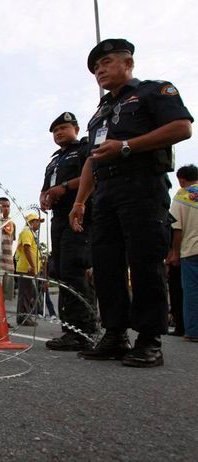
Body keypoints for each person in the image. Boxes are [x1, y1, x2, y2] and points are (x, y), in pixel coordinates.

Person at [70, 38, 193, 367]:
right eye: (96, 68)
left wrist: (126, 146)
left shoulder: (154, 92)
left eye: (106, 63)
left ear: (128, 63)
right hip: (106, 194)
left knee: (144, 262)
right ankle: (114, 334)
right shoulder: (99, 114)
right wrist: (80, 201)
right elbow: (92, 161)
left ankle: (150, 339)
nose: (100, 71)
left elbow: (182, 128)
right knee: (106, 266)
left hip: (142, 187)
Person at [40, 112, 98, 350]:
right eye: (55, 131)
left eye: (63, 128)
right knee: (62, 271)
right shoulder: (54, 160)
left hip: (80, 213)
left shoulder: (85, 149)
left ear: (76, 128)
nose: (59, 133)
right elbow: (47, 188)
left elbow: (93, 173)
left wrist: (64, 188)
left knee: (75, 269)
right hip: (59, 218)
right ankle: (70, 328)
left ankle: (82, 329)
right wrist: (45, 197)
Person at [167, 164, 198, 341]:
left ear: (181, 180)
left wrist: (174, 252)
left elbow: (176, 228)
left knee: (191, 293)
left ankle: (193, 331)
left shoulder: (182, 196)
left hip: (191, 251)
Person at [15, 213, 44, 326]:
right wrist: (32, 265)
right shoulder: (27, 232)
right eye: (36, 221)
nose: (38, 224)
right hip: (26, 268)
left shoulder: (31, 233)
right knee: (25, 294)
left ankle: (24, 316)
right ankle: (23, 318)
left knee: (28, 293)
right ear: (30, 222)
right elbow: (27, 249)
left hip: (29, 268)